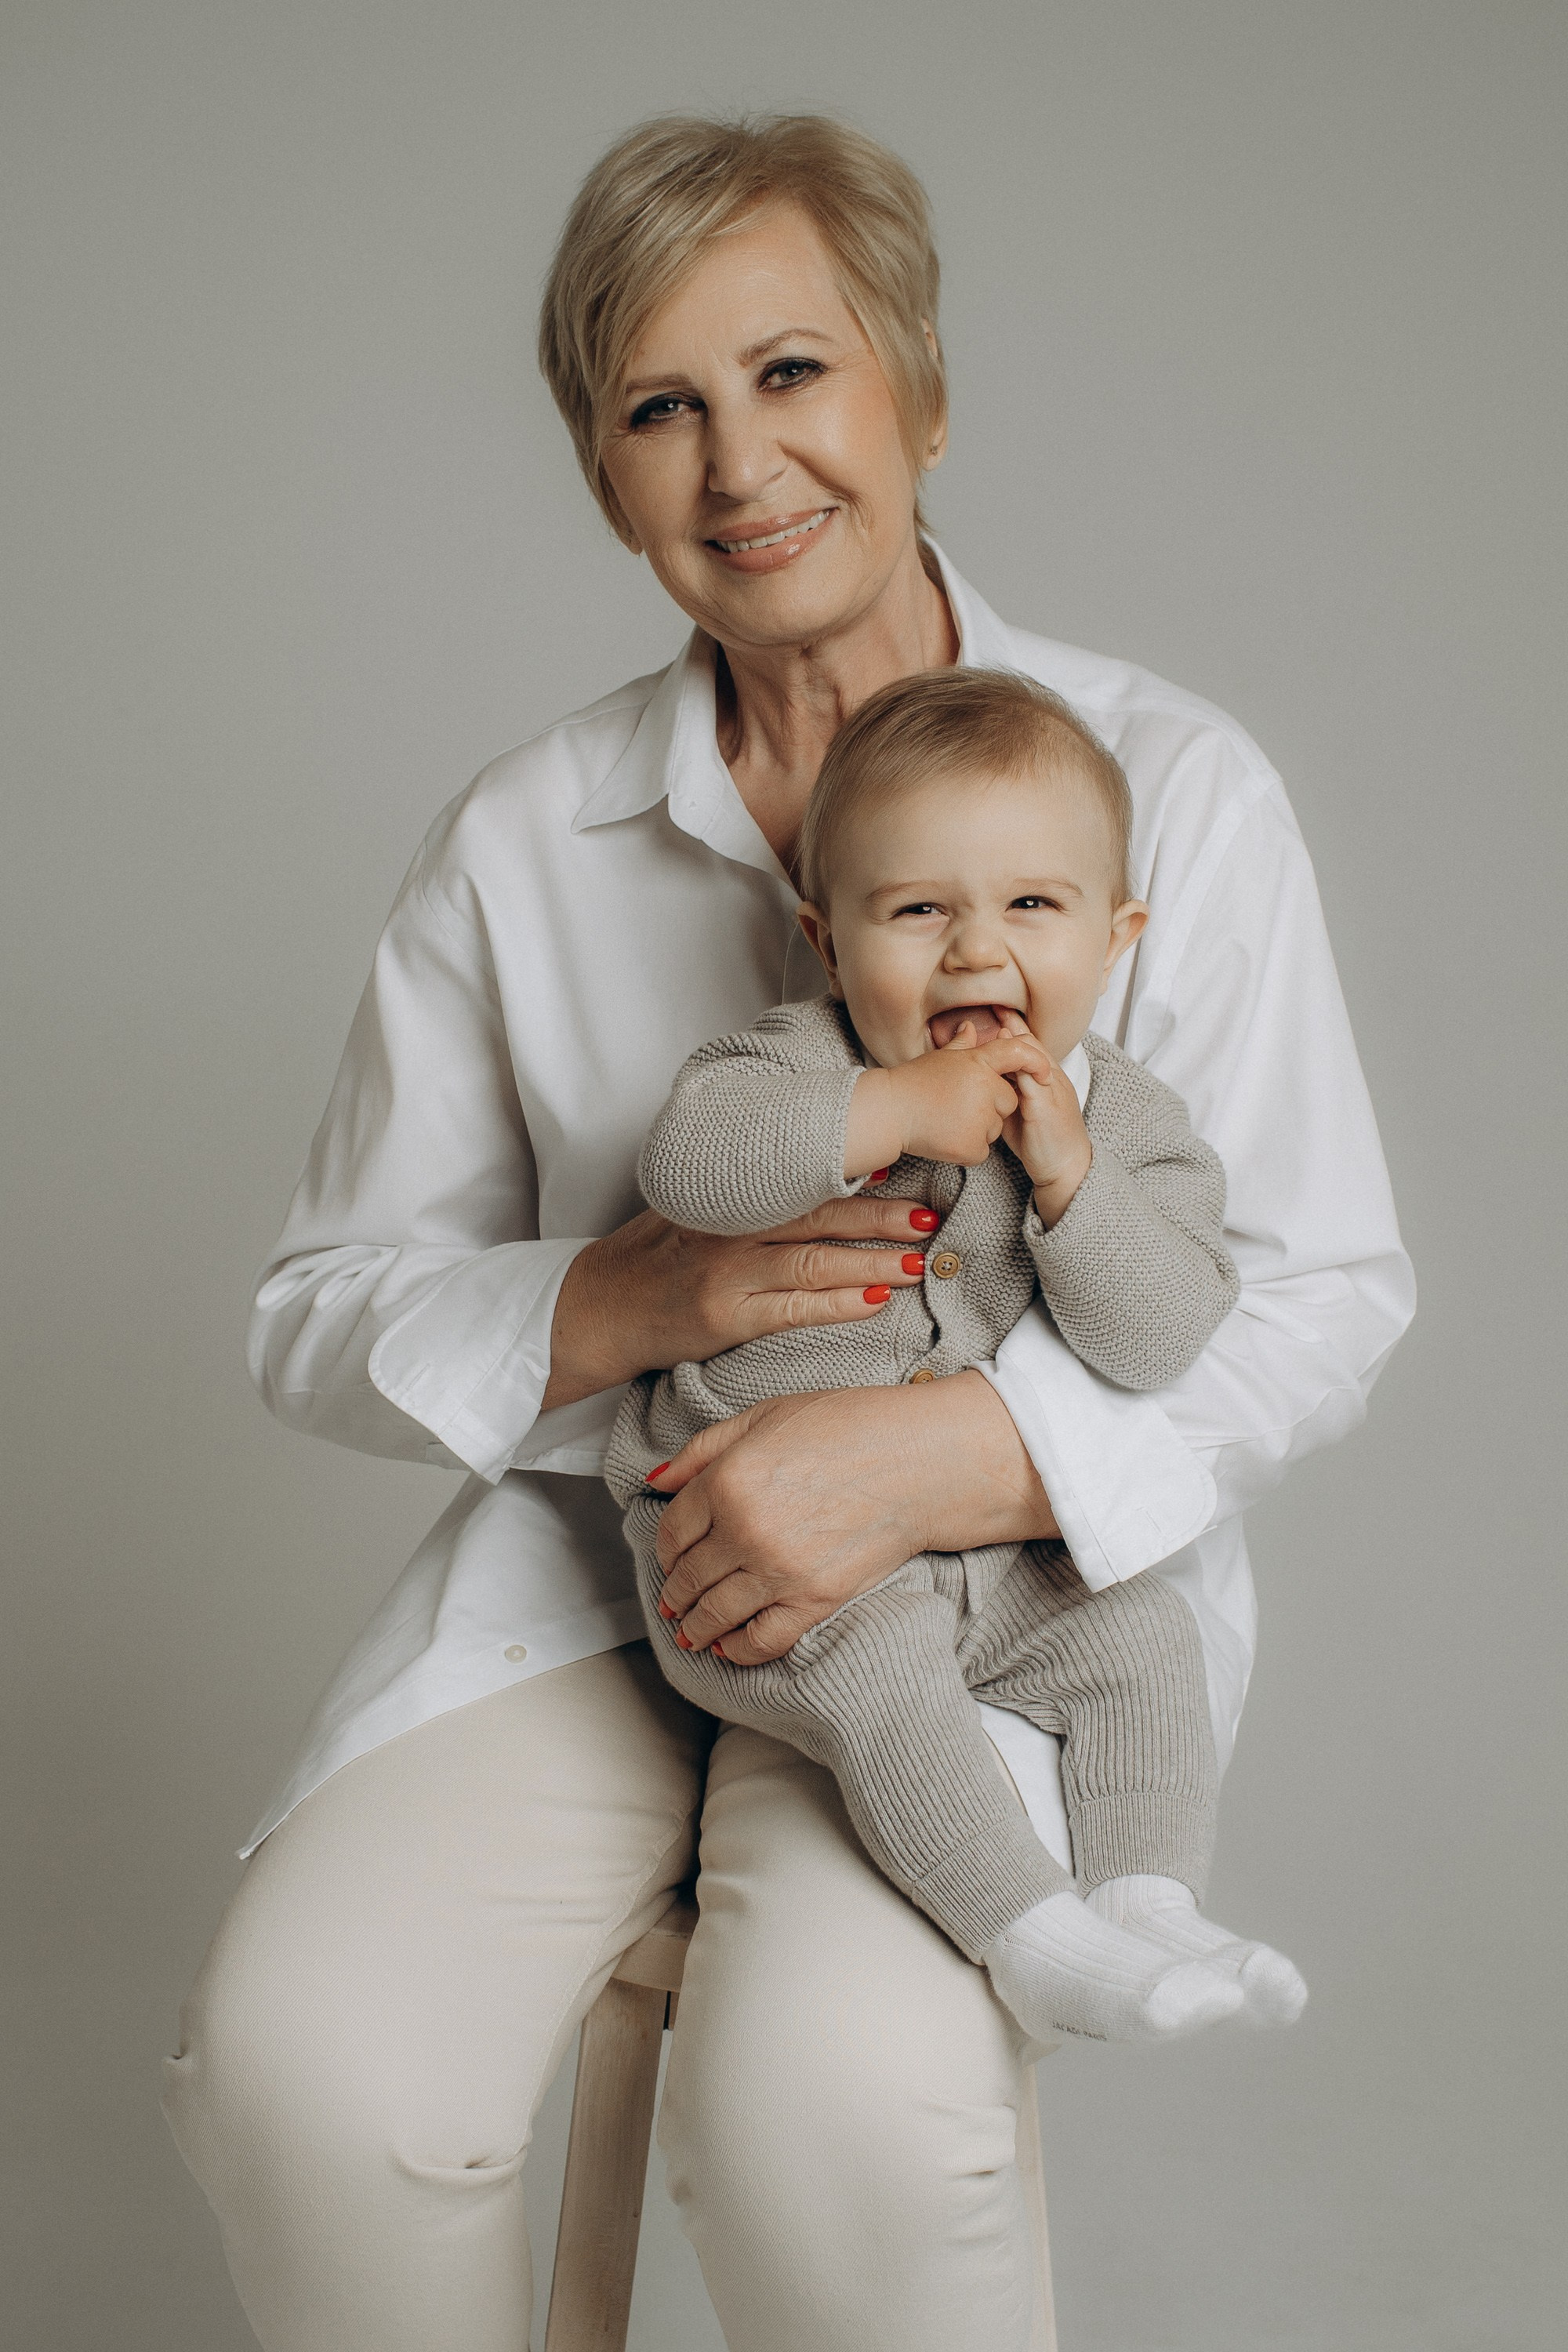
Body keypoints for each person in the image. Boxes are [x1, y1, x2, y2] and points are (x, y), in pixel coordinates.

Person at [162, 114, 1413, 2352]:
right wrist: (620, 1295)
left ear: (920, 393)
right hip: (616, 1581)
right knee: (310, 2076)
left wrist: (950, 1459)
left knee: (843, 2114)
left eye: (793, 372)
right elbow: (315, 1314)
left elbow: (1318, 1292)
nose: (741, 463)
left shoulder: (1170, 789)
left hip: (999, 1601)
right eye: (660, 406)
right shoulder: (519, 842)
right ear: (603, 473)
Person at [609, 665, 1307, 2046]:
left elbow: (1161, 1334)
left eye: (1033, 906)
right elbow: (689, 1165)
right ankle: (1030, 1936)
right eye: (919, 910)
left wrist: (1071, 1183)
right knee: (890, 1690)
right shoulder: (793, 1064)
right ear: (827, 942)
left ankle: (1150, 1903)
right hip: (751, 1568)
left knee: (1145, 1642)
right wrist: (891, 1109)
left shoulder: (1131, 1129)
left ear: (1117, 939)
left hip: (996, 1562)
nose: (978, 953)